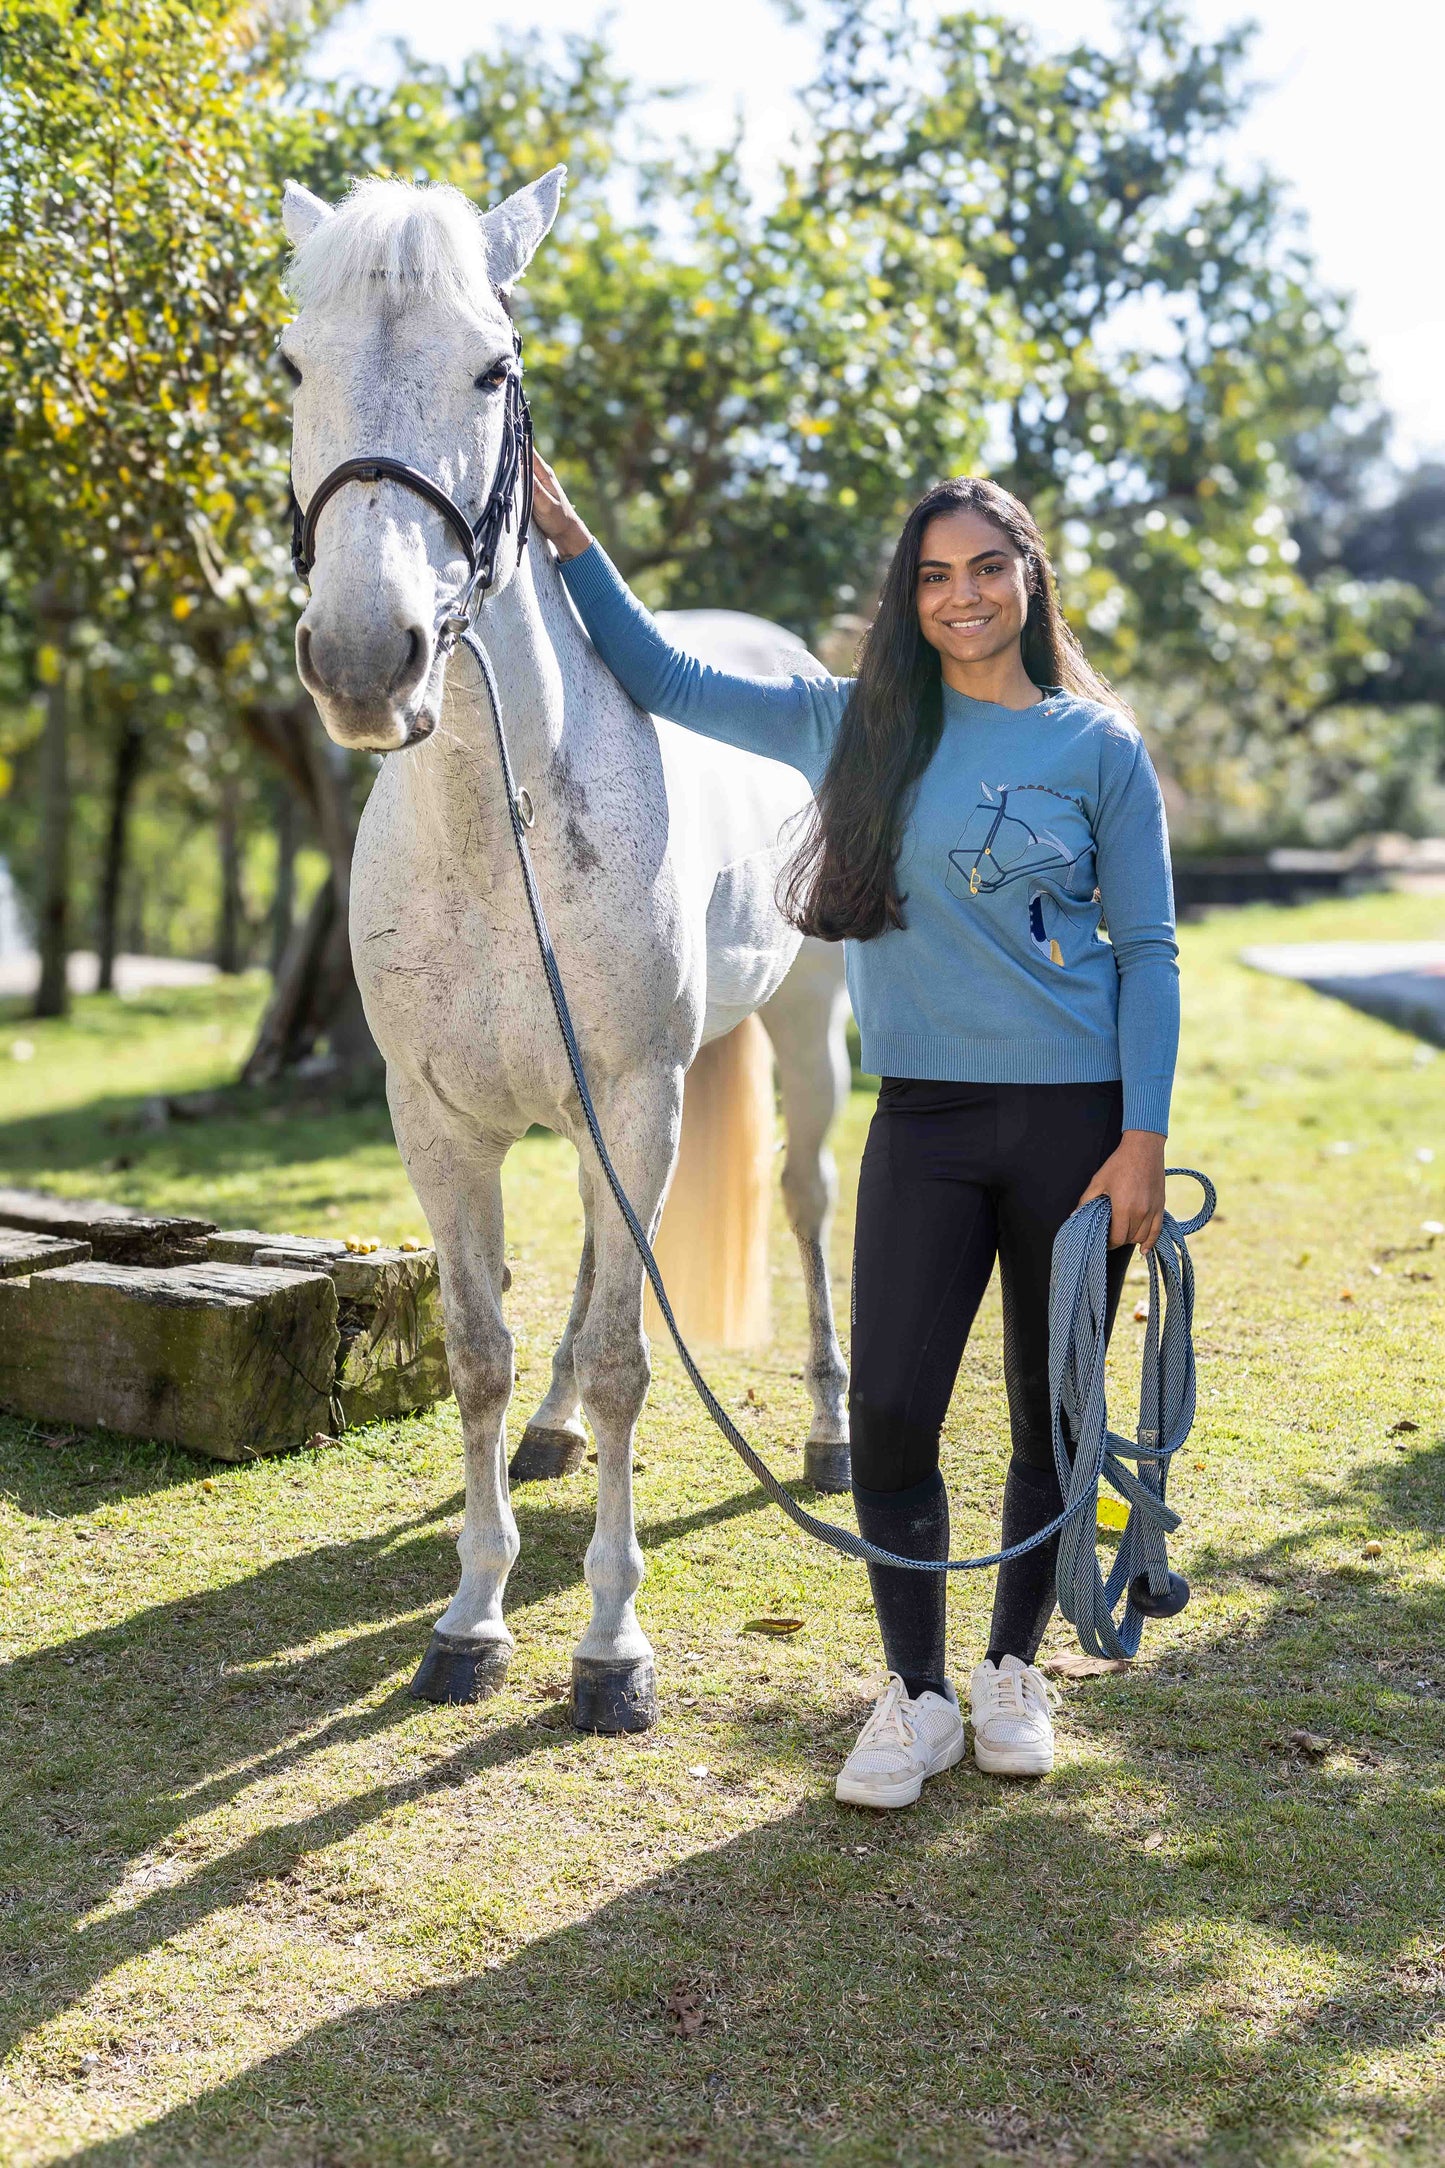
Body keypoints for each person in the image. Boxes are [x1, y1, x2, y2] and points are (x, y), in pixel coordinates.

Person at [529, 455, 1178, 1808]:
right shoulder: (856, 727)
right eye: (934, 576)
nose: (962, 596)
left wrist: (1141, 1140)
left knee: (1055, 1414)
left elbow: (1148, 955)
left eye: (986, 568)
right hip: (924, 1119)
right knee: (886, 1411)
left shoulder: (1096, 747)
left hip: (1075, 1127)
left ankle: (1012, 1671)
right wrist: (574, 540)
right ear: (908, 594)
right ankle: (918, 1694)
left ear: (1029, 577)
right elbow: (665, 679)